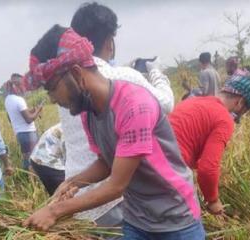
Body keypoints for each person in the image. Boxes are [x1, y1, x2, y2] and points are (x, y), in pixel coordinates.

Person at [23, 25, 205, 240]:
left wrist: (55, 211)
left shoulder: (134, 106)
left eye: (53, 88)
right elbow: (106, 162)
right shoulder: (88, 111)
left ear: (75, 73)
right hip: (137, 219)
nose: (53, 99)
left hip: (175, 219)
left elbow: (116, 185)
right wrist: (73, 183)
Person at [41, 3, 174, 233]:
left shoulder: (66, 82)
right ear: (109, 41)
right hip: (109, 201)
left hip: (76, 196)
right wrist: (156, 72)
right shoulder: (121, 77)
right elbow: (166, 104)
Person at [169, 76, 250, 215]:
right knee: (190, 228)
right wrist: (213, 200)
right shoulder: (224, 119)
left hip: (141, 165)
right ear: (240, 102)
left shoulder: (192, 101)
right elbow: (208, 169)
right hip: (168, 172)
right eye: (244, 111)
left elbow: (187, 139)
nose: (239, 115)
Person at [4, 73, 42, 170]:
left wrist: (31, 111)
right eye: (23, 84)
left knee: (26, 158)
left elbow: (12, 116)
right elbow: (29, 119)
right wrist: (38, 110)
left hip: (20, 134)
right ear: (17, 85)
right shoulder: (19, 100)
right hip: (28, 133)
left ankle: (27, 178)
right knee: (33, 160)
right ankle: (33, 182)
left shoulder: (8, 99)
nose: (24, 88)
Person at [30, 123, 65, 195]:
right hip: (47, 161)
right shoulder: (70, 130)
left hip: (37, 158)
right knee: (63, 193)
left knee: (58, 193)